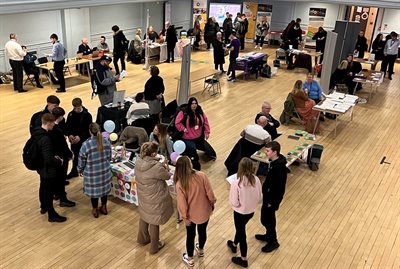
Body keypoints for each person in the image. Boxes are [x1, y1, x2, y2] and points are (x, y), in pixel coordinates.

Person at [174, 156, 217, 267]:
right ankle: (201, 250)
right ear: (190, 165)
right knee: (203, 232)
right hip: (204, 211)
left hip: (190, 215)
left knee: (190, 235)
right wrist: (212, 203)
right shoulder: (202, 175)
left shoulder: (180, 184)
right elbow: (210, 194)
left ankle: (190, 258)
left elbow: (182, 204)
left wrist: (184, 217)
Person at [135, 142, 173, 254]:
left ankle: (142, 239)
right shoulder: (157, 167)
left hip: (143, 195)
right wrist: (165, 166)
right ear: (153, 153)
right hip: (155, 197)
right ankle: (154, 247)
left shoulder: (138, 161)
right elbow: (166, 176)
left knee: (144, 215)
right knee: (154, 221)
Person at [227, 157, 262, 268]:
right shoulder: (256, 179)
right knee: (240, 228)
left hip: (239, 212)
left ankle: (243, 259)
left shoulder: (236, 183)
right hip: (251, 211)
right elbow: (260, 196)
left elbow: (234, 202)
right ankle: (234, 244)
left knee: (242, 233)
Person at [32, 113, 67, 222]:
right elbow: (48, 158)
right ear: (47, 123)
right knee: (48, 191)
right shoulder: (45, 138)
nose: (53, 126)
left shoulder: (36, 133)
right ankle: (51, 214)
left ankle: (43, 207)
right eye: (52, 124)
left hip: (40, 167)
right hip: (47, 169)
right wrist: (58, 161)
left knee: (43, 186)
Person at [255, 141, 287, 253]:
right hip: (268, 197)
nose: (266, 152)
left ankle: (273, 241)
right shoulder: (274, 163)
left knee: (269, 220)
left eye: (268, 151)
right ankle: (268, 235)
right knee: (265, 218)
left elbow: (280, 188)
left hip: (271, 200)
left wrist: (273, 202)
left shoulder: (279, 168)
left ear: (275, 152)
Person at [78, 123, 112, 218]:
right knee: (104, 191)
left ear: (90, 131)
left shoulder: (86, 145)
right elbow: (109, 157)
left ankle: (95, 209)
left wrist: (80, 170)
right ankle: (104, 207)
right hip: (105, 172)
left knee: (95, 193)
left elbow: (81, 161)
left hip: (92, 174)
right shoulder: (106, 142)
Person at [175, 97, 217, 171]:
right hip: (188, 138)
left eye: (195, 103)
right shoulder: (183, 112)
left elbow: (205, 121)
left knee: (211, 153)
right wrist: (183, 129)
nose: (194, 105)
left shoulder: (199, 111)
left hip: (199, 137)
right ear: (189, 104)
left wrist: (207, 132)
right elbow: (177, 123)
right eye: (192, 104)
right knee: (193, 154)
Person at [50, 107, 75, 207]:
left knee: (56, 177)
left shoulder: (50, 128)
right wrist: (70, 154)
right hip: (61, 157)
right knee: (61, 178)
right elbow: (63, 146)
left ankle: (56, 194)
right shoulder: (57, 131)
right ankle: (63, 199)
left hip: (54, 156)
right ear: (60, 117)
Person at [65, 98, 93, 179]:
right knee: (75, 156)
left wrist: (80, 137)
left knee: (85, 156)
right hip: (74, 141)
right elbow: (68, 126)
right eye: (74, 108)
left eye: (78, 108)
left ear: (81, 105)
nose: (76, 110)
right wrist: (70, 135)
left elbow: (88, 130)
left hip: (84, 140)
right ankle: (74, 171)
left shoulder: (87, 115)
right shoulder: (71, 114)